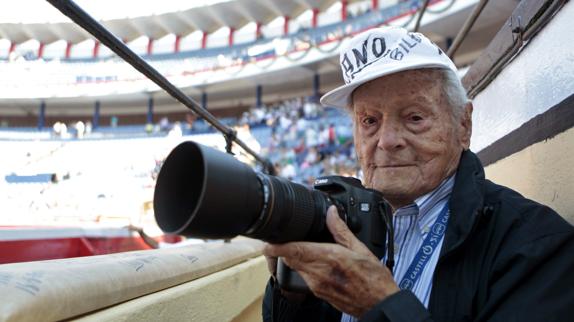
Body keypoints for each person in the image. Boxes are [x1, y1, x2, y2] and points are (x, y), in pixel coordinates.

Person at [261, 26, 574, 321]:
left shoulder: (535, 245)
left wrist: (381, 308)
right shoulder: (343, 223)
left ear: (463, 126)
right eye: (369, 121)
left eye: (414, 117)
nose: (386, 141)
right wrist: (291, 297)